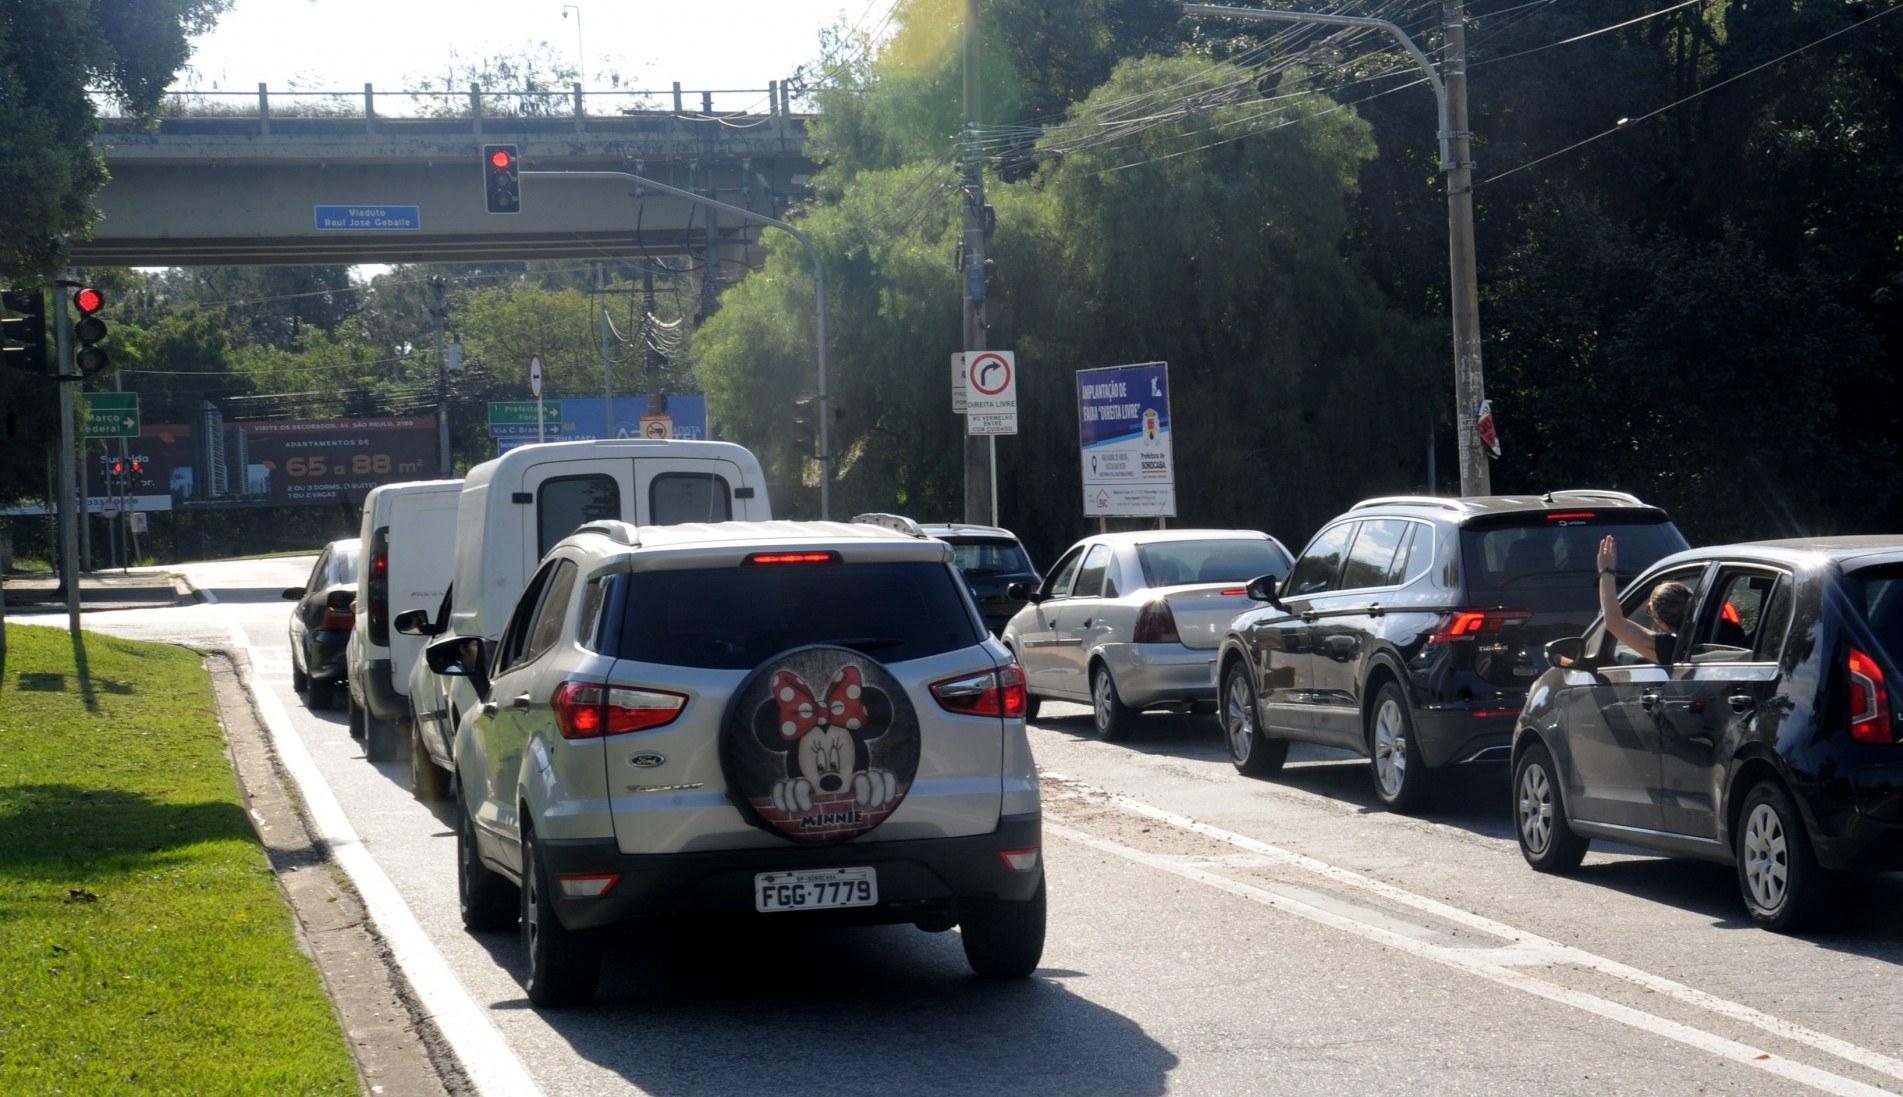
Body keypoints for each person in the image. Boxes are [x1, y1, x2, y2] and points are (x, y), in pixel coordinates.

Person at [1596, 534, 1692, 664]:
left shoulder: (1671, 649)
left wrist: (1606, 569)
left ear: (1661, 621)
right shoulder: (1721, 627)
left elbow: (1613, 622)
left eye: (1650, 611)